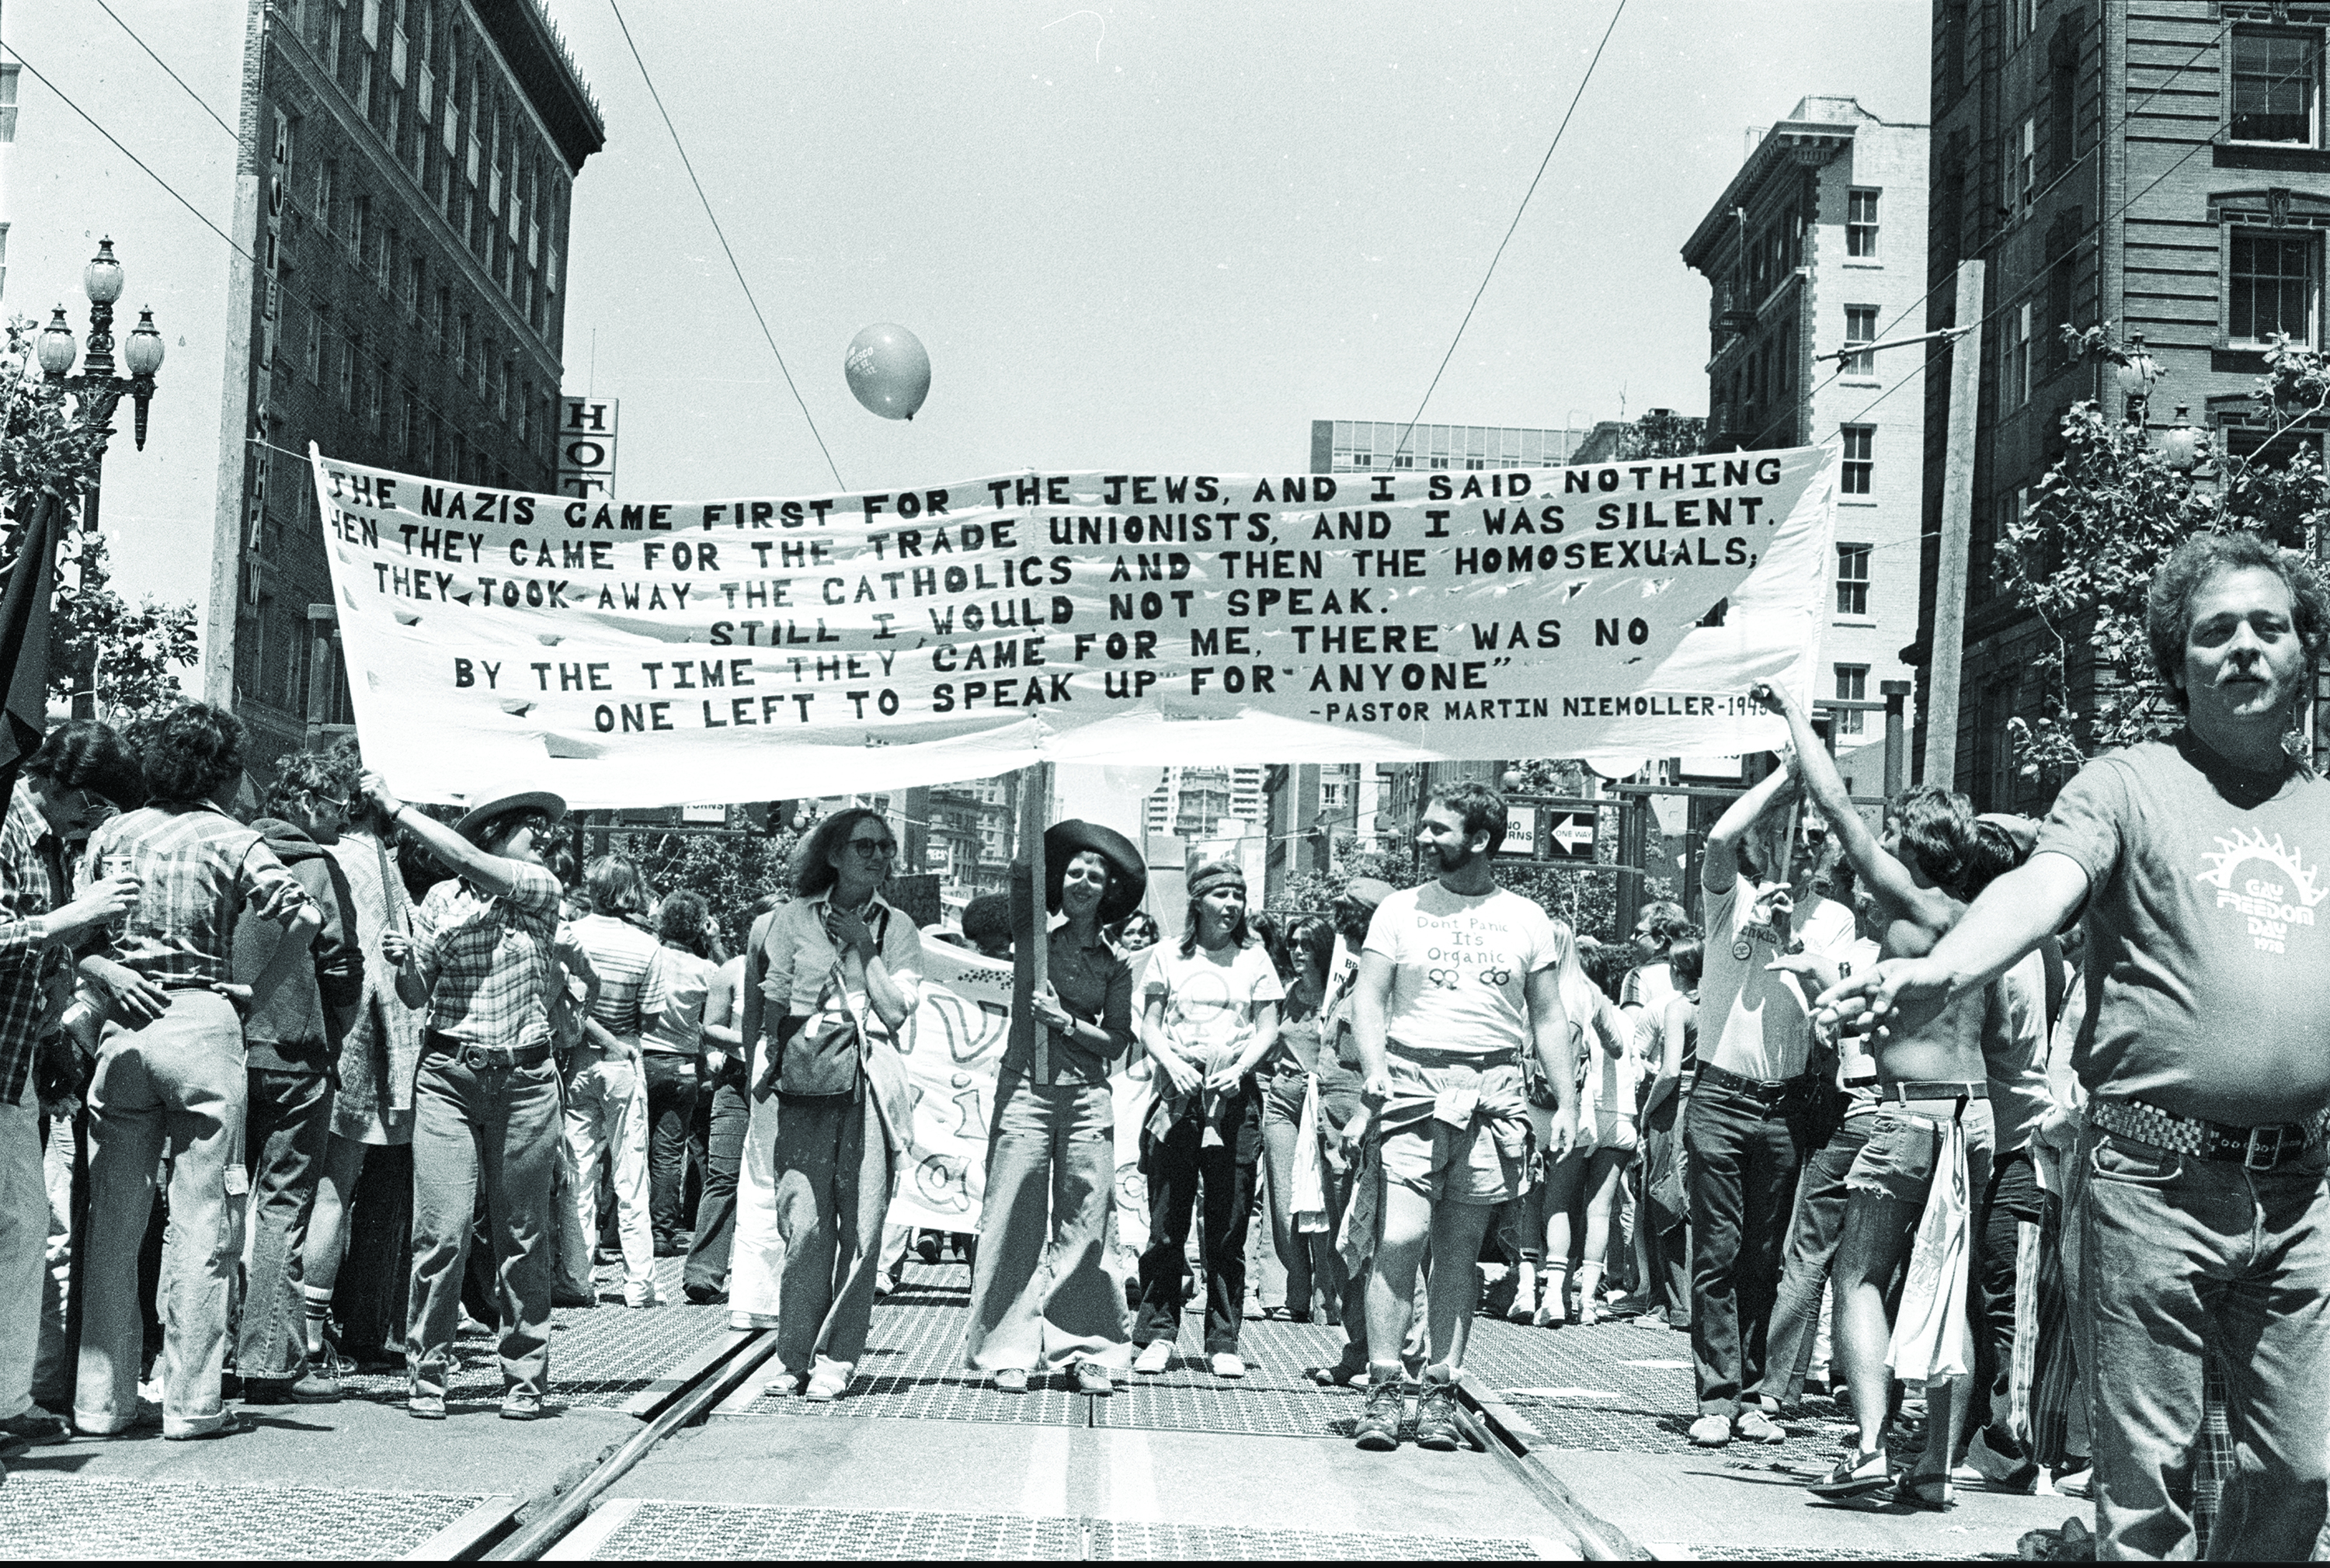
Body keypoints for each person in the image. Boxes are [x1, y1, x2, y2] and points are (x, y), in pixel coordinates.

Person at [1821, 531, 2330, 1557]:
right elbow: (2040, 885)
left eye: (2267, 627)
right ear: (2177, 663)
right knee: (2149, 1492)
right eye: (2214, 630)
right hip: (2152, 1177)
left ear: (2306, 654)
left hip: (2302, 1189)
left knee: (2301, 1474)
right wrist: (1943, 967)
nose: (2241, 646)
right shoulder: (2127, 783)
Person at [1760, 682, 1997, 1504]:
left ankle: (1865, 1450)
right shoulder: (1982, 921)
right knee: (1949, 1284)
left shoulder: (1907, 900)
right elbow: (1998, 1037)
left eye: (1891, 836)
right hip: (1976, 1120)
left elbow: (1832, 803)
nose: (1876, 853)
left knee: (1857, 1277)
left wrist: (1797, 715)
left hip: (1907, 1117)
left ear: (1910, 847)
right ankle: (1933, 1467)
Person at [76, 705, 323, 1440]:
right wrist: (256, 991)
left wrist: (106, 968)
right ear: (220, 768)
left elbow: (77, 934)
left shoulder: (112, 833)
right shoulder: (233, 838)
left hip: (125, 1027)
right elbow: (302, 917)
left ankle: (102, 1400)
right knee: (199, 1222)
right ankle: (189, 1401)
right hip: (203, 1023)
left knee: (114, 1224)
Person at [1351, 781, 1575, 1453]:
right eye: (1424, 827)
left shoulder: (1526, 918)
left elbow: (1548, 1015)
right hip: (1413, 1086)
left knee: (1457, 1250)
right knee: (1400, 1236)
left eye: (1437, 829)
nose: (1423, 839)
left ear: (1479, 839)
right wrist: (1373, 1066)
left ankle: (1440, 1392)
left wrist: (1564, 1103)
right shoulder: (1398, 910)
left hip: (1492, 1092)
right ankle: (1384, 1388)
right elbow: (1369, 996)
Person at [372, 774, 569, 1422]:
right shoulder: (438, 901)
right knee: (443, 1228)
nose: (544, 838)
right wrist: (408, 959)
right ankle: (427, 1372)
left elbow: (471, 864)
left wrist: (398, 809)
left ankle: (525, 1374)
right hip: (450, 1074)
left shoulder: (539, 890)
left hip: (526, 1079)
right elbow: (413, 993)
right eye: (529, 827)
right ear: (494, 832)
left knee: (521, 1232)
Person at [1685, 749, 1854, 1450]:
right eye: (1792, 825)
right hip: (1720, 1095)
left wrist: (1792, 941)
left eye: (1817, 831)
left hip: (1783, 1102)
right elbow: (1719, 840)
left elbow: (1835, 1017)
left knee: (1764, 1253)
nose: (1805, 841)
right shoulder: (1727, 898)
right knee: (1718, 1249)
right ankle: (1717, 1395)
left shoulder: (1835, 921)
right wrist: (1786, 780)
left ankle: (1757, 1393)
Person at [747, 808, 923, 1399]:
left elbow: (897, 1012)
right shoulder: (791, 918)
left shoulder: (897, 927)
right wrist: (767, 1066)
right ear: (832, 854)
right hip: (804, 1082)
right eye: (863, 846)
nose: (877, 856)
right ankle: (793, 1354)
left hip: (869, 1083)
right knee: (804, 1221)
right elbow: (772, 1000)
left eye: (884, 848)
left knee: (863, 1225)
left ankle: (836, 1357)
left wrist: (866, 947)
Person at [963, 819, 1143, 1393]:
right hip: (1025, 1092)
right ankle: (1006, 1350)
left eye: (1097, 874)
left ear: (1109, 890)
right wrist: (1028, 801)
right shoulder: (1034, 941)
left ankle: (1087, 1348)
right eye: (1074, 871)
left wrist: (1064, 1022)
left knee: (1088, 1222)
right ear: (1060, 883)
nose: (1084, 881)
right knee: (1013, 1216)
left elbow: (1118, 1041)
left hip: (1087, 1096)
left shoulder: (1117, 963)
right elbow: (1017, 889)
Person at [0, 722, 142, 1449]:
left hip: (17, 1057)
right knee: (21, 1228)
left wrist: (54, 1043)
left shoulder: (51, 842)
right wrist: (69, 917)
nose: (93, 824)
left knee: (24, 1229)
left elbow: (42, 965)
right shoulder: (4, 826)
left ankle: (11, 1399)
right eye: (92, 807)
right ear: (69, 787)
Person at [232, 753, 366, 1406]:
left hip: (228, 1046)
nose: (345, 814)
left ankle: (198, 1359)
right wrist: (335, 1029)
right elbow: (341, 961)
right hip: (296, 1055)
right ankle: (268, 1361)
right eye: (338, 803)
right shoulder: (316, 864)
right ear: (309, 803)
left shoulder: (234, 845)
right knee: (283, 1204)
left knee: (214, 1207)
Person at [1132, 860, 1282, 1379]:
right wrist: (1170, 1063)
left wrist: (1241, 1068)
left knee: (1228, 1223)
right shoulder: (1167, 955)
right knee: (1167, 1222)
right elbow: (1148, 1023)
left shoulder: (1255, 958)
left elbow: (1267, 1027)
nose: (1231, 904)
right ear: (1197, 901)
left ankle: (1223, 1338)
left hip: (1233, 1099)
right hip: (1177, 1095)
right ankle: (1156, 1332)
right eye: (1220, 894)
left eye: (1238, 895)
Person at [306, 775, 425, 1373]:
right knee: (344, 1190)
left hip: (318, 1036)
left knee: (303, 1191)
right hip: (370, 1044)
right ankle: (323, 1332)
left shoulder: (326, 855)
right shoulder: (376, 864)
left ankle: (301, 1328)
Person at [564, 857, 662, 1307]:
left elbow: (564, 1002)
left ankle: (579, 1279)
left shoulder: (573, 934)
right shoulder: (647, 947)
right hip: (624, 1061)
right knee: (631, 1175)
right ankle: (639, 1283)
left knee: (579, 1175)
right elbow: (652, 1017)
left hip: (576, 1062)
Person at [1533, 954, 1638, 1328]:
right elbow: (1633, 1065)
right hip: (1623, 1121)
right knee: (1600, 1212)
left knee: (1558, 1201)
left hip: (1584, 1117)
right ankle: (1589, 1302)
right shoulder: (1620, 1017)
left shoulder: (1561, 1004)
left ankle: (1554, 1296)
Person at [1257, 917, 1347, 1326]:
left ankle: (1328, 1296)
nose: (1296, 951)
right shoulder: (1286, 993)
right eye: (1293, 944)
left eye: (1306, 945)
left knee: (1323, 1200)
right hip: (1283, 1098)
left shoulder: (1339, 993)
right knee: (1283, 1201)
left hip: (1324, 1101)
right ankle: (1295, 1289)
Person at [641, 890, 720, 1257]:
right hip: (684, 1065)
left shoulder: (649, 954)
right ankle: (663, 1232)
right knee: (670, 1152)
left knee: (632, 1148)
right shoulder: (707, 971)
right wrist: (715, 944)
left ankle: (626, 1229)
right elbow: (735, 989)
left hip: (643, 1057)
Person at [680, 902, 750, 1306]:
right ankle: (703, 1274)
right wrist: (750, 1041)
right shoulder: (734, 969)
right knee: (723, 1176)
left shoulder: (806, 968)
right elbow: (710, 1028)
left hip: (788, 1089)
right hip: (737, 1083)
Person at [1636, 933, 1702, 1334]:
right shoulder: (1719, 1004)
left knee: (1666, 1196)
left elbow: (1671, 1069)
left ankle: (1677, 1305)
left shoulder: (1679, 1009)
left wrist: (1648, 1110)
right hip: (1713, 1103)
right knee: (1698, 1200)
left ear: (1679, 972)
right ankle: (1686, 1301)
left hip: (1676, 1105)